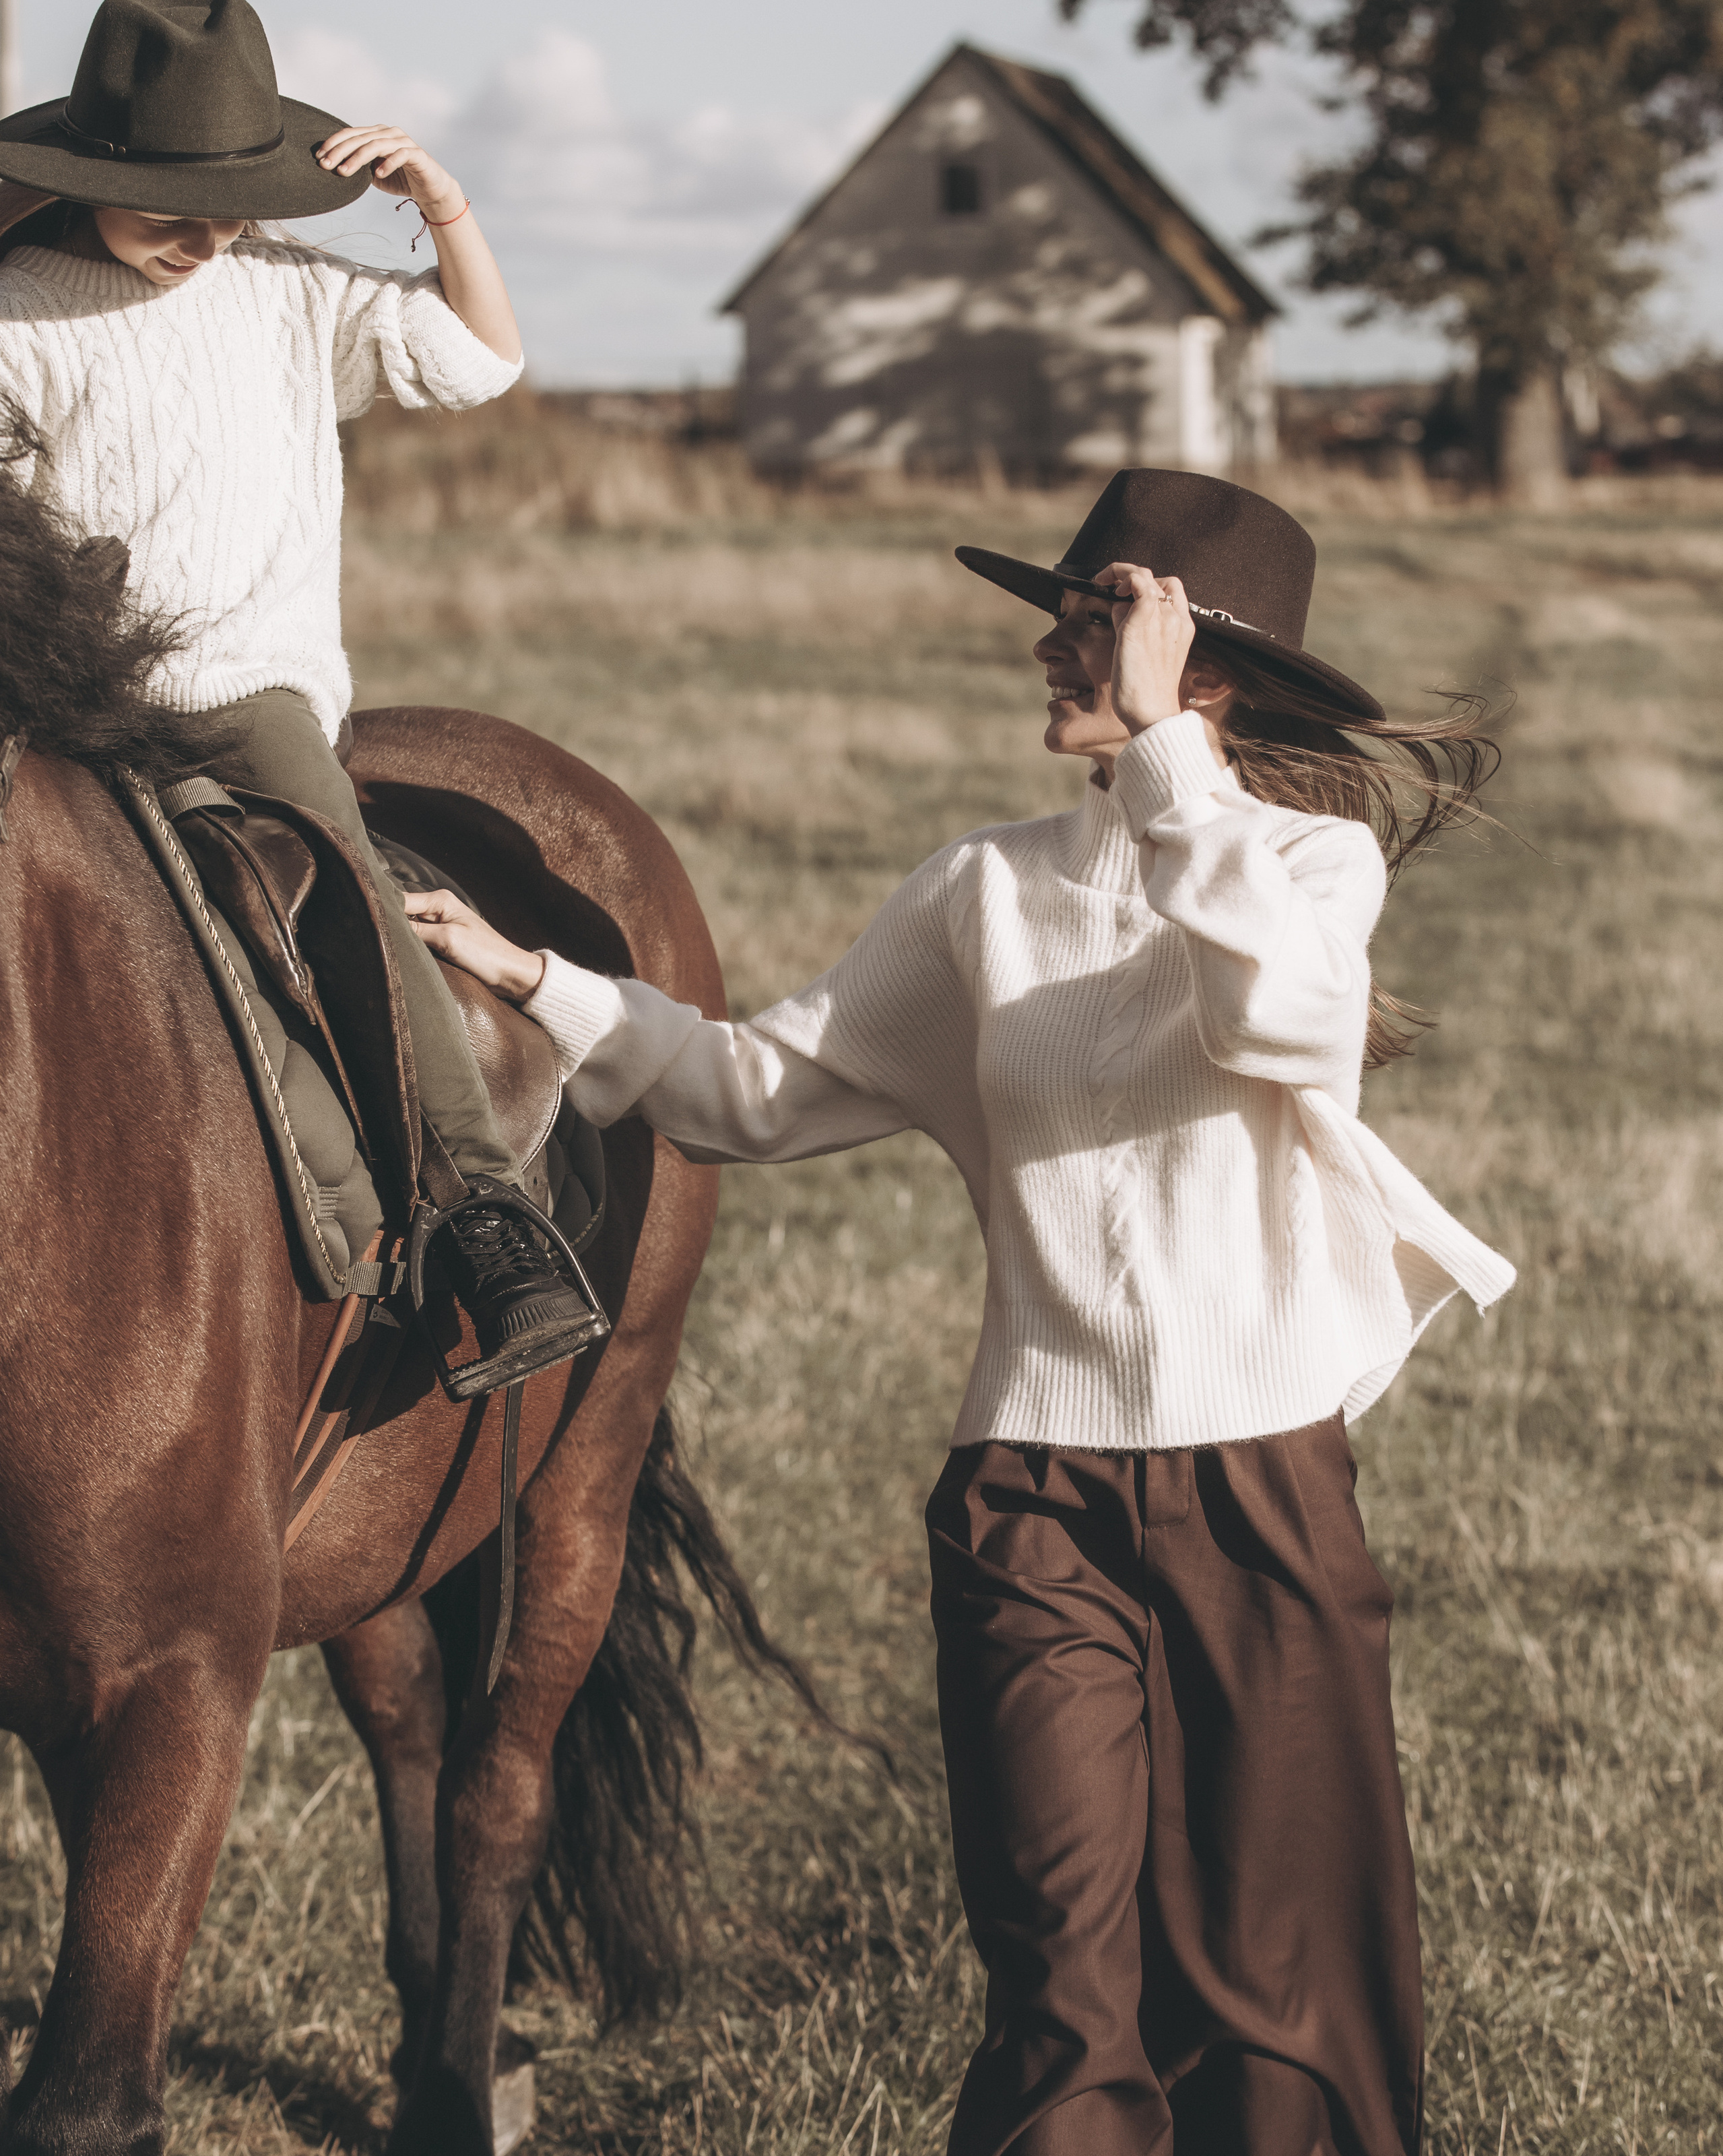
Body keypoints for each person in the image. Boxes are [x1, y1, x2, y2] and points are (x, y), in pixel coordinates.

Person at [406, 468, 1517, 2154]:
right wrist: (536, 980)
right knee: (1060, 1982)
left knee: (1276, 1992)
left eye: (1096, 618)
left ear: (1194, 660)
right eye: (1060, 613)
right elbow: (753, 1091)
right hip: (1030, 1494)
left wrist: (1163, 764)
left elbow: (1285, 1022)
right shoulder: (977, 891)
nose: (1049, 649)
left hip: (1261, 1492)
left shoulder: (1305, 858)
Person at [0, 0, 595, 1389]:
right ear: (97, 174)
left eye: (228, 206)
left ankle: (482, 1213)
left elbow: (481, 360)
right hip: (65, 701)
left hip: (244, 695)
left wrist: (444, 208)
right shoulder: (18, 310)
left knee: (342, 885)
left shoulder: (290, 286)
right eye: (166, 206)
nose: (201, 235)